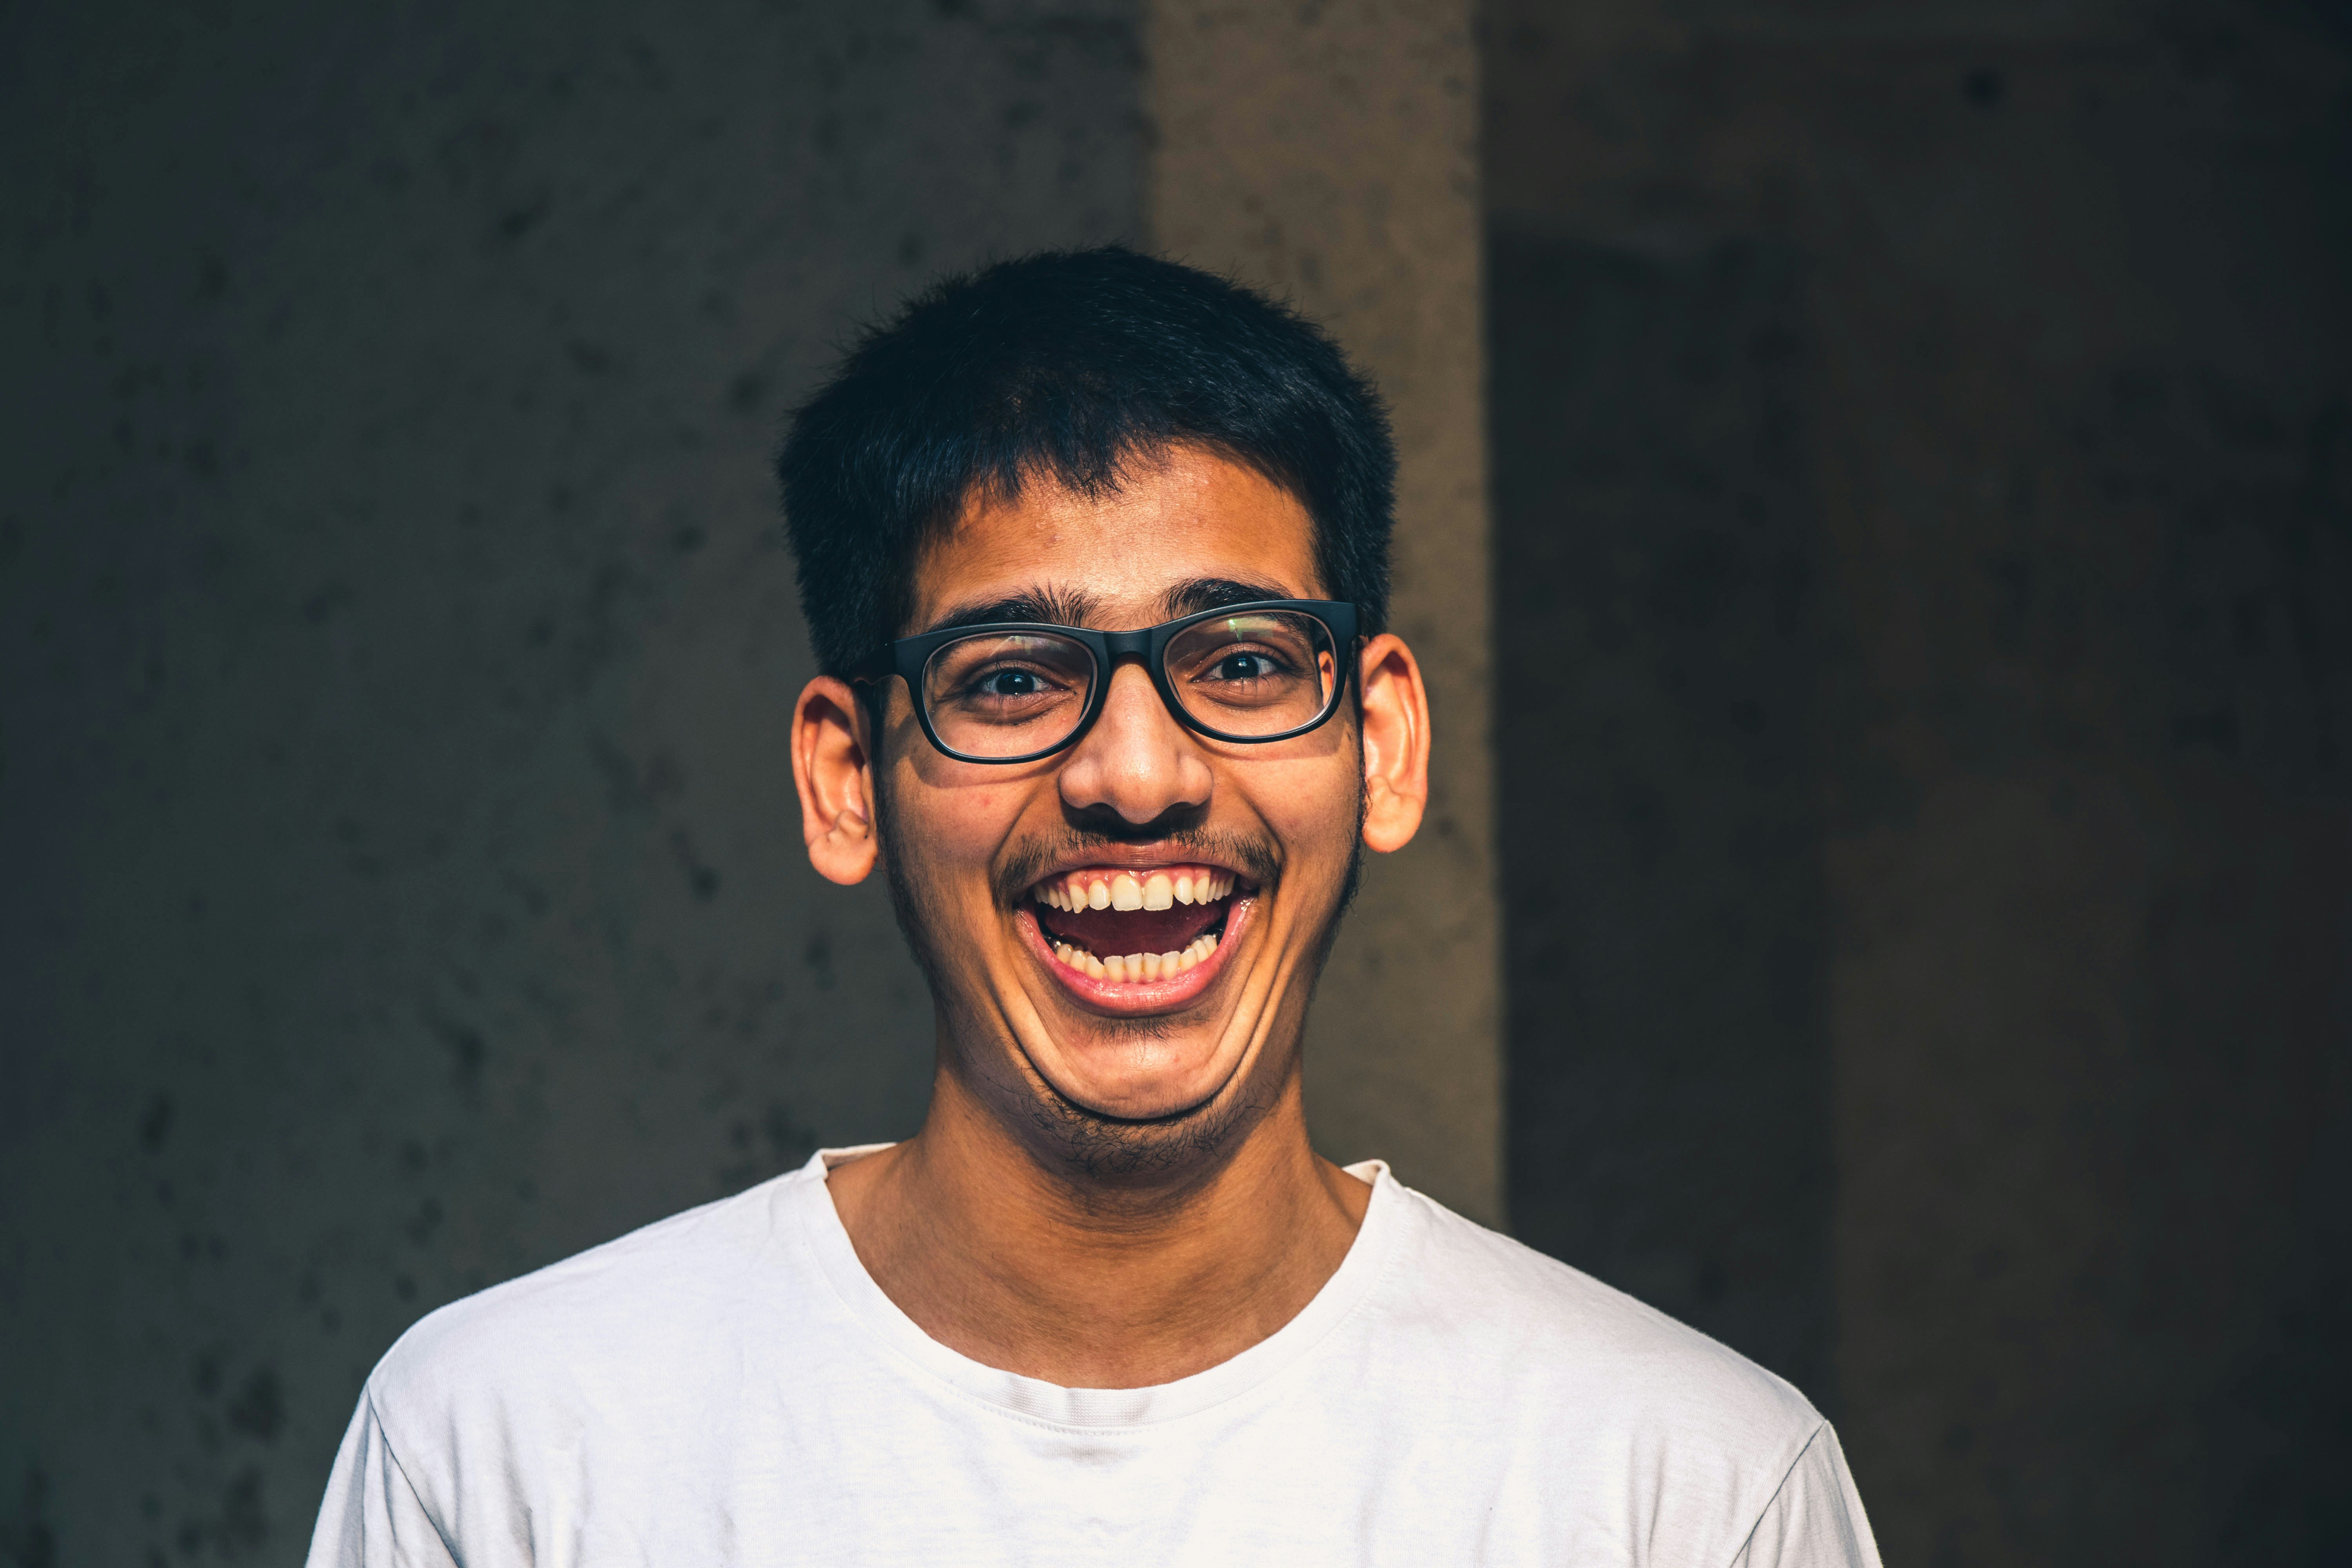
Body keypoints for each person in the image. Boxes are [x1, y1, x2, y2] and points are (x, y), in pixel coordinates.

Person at [305, 247, 1881, 1566]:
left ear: (1383, 744)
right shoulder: (509, 1451)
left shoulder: (1688, 1493)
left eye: (1245, 660)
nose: (1139, 770)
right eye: (1011, 680)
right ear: (848, 777)